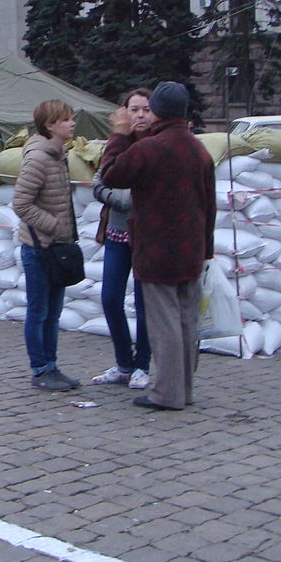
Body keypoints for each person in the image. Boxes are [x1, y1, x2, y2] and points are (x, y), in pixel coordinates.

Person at [100, 81, 215, 411]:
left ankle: (166, 393)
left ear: (158, 111)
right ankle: (185, 390)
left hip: (157, 251)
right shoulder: (199, 149)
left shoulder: (150, 148)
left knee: (164, 326)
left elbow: (110, 174)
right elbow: (210, 205)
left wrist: (119, 136)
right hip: (192, 251)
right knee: (186, 324)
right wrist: (206, 249)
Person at [12, 99, 81, 392]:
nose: (72, 123)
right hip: (39, 248)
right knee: (39, 312)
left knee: (53, 313)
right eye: (66, 119)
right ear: (50, 125)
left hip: (57, 247)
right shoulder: (39, 158)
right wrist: (53, 226)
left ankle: (52, 366)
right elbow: (21, 203)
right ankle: (39, 368)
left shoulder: (59, 154)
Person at [91, 87, 153, 390]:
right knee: (110, 297)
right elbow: (99, 182)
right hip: (117, 233)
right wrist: (124, 198)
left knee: (145, 302)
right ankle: (123, 361)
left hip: (147, 236)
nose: (139, 114)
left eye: (145, 109)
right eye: (134, 109)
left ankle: (143, 364)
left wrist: (127, 197)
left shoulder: (157, 146)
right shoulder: (117, 145)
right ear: (124, 113)